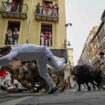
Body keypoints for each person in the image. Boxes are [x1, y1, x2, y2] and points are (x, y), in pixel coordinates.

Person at [0, 44, 65, 94]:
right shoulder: (15, 51)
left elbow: (7, 58)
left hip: (45, 53)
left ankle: (63, 59)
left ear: (7, 51)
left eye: (4, 54)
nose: (4, 55)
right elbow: (7, 60)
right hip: (39, 58)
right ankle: (53, 86)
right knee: (43, 73)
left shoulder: (14, 51)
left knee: (57, 67)